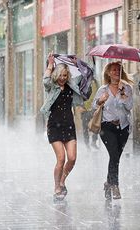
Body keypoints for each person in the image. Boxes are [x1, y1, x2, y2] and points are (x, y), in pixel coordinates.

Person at [40, 53, 86, 201]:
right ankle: (56, 187)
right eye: (60, 75)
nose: (63, 78)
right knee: (61, 158)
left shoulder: (71, 86)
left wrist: (77, 64)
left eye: (65, 75)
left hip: (69, 126)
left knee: (72, 158)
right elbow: (45, 80)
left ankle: (62, 181)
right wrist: (50, 65)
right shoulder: (51, 87)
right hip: (54, 126)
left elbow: (86, 76)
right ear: (56, 75)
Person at [92, 61, 133, 200]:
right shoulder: (103, 90)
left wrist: (124, 98)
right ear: (109, 73)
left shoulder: (126, 88)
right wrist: (100, 101)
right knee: (114, 154)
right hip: (107, 127)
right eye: (114, 70)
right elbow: (93, 106)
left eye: (119, 70)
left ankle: (108, 182)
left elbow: (129, 107)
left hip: (123, 127)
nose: (116, 72)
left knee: (115, 157)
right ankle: (115, 185)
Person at [79, 78, 99, 150]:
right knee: (85, 128)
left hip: (94, 107)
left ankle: (93, 142)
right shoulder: (82, 82)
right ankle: (87, 144)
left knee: (96, 125)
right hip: (85, 108)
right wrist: (80, 106)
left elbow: (98, 93)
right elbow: (79, 94)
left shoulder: (95, 81)